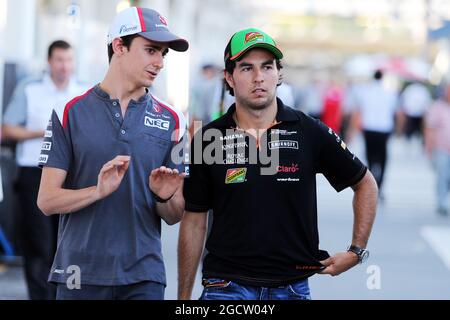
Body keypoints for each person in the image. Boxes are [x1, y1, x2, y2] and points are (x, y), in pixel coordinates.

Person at [178, 28, 378, 300]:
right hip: (225, 286)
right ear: (229, 77)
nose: (259, 77)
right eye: (246, 68)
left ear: (279, 73)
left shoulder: (309, 131)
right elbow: (193, 221)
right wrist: (184, 298)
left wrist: (357, 252)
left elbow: (365, 183)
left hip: (293, 287)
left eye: (267, 67)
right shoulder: (208, 139)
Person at [36, 7, 189, 300]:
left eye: (163, 54)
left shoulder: (175, 120)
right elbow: (46, 201)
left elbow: (174, 215)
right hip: (78, 273)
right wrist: (97, 190)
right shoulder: (67, 112)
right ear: (119, 46)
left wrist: (164, 196)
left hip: (144, 276)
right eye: (151, 50)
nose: (160, 62)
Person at [1, 40, 88, 300]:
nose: (64, 66)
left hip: (71, 175)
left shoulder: (82, 91)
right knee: (39, 244)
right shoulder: (30, 89)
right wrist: (46, 132)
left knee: (66, 243)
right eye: (59, 60)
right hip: (34, 173)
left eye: (69, 60)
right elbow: (6, 129)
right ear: (49, 62)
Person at [351, 69, 398, 198]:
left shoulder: (365, 92)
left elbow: (357, 112)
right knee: (383, 158)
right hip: (384, 129)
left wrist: (352, 130)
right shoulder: (390, 93)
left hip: (369, 129)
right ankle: (380, 185)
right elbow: (396, 112)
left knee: (370, 157)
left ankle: (371, 183)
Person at [424, 84, 450, 216]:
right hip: (441, 148)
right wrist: (429, 148)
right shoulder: (437, 107)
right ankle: (441, 202)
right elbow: (430, 129)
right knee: (442, 176)